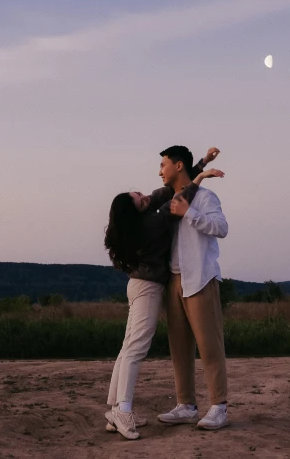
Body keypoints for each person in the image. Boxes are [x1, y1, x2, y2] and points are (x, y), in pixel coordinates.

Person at [103, 148, 223, 440]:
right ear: (138, 210)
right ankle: (131, 410)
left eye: (162, 165)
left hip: (169, 282)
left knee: (131, 345)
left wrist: (203, 164)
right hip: (156, 286)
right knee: (149, 347)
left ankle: (115, 409)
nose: (146, 193)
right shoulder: (155, 218)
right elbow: (179, 200)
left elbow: (175, 193)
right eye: (139, 198)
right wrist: (201, 176)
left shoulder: (155, 208)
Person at [155, 145, 230, 431]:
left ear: (178, 166)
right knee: (179, 347)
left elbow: (222, 228)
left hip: (200, 277)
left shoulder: (205, 197)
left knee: (210, 345)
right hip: (173, 280)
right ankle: (186, 405)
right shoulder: (167, 199)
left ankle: (219, 407)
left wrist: (190, 214)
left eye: (163, 165)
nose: (159, 171)